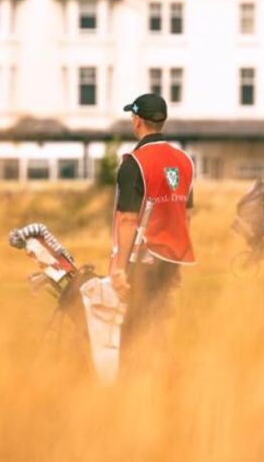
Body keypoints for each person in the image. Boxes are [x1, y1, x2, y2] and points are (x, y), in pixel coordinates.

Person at [109, 93, 195, 373]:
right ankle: (167, 381)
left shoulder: (134, 163)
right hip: (172, 258)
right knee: (158, 321)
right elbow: (186, 215)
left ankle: (132, 388)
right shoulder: (184, 161)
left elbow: (127, 219)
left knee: (132, 329)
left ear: (137, 121)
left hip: (143, 258)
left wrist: (119, 268)